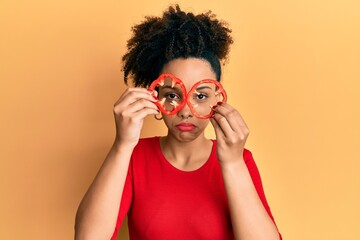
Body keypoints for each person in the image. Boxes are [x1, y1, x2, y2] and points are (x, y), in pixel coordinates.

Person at [75, 5, 282, 240]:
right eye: (173, 95)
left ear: (218, 99)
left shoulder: (240, 160)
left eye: (201, 96)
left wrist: (232, 164)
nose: (185, 111)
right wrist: (122, 145)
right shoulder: (134, 157)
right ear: (155, 96)